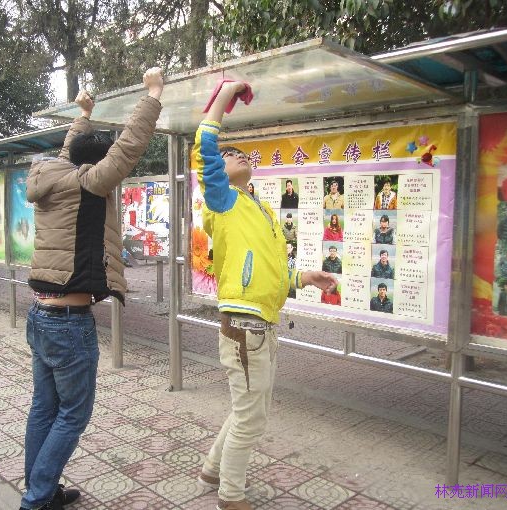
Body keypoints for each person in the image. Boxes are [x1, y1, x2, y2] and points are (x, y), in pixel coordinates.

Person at [22, 68, 164, 510]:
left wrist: (83, 115)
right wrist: (153, 94)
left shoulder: (53, 177)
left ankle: (42, 492)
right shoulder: (88, 183)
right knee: (72, 415)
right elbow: (128, 147)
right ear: (94, 165)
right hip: (68, 322)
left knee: (44, 409)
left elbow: (70, 151)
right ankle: (36, 499)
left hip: (40, 314)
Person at [194, 81, 337, 510]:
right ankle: (230, 496)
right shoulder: (222, 201)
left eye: (244, 154)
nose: (240, 156)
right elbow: (205, 147)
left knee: (248, 410)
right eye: (231, 154)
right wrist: (225, 96)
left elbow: (271, 271)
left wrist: (304, 277)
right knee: (251, 419)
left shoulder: (262, 210)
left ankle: (212, 471)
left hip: (261, 325)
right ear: (219, 171)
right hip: (244, 326)